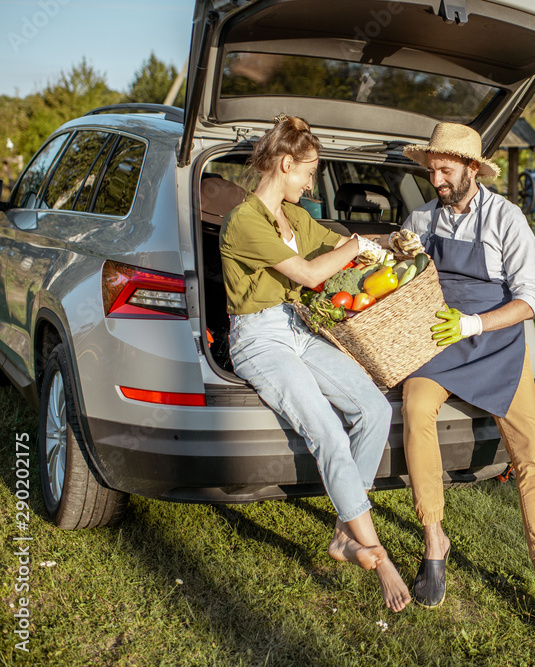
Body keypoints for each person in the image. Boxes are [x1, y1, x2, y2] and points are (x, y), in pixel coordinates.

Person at [389, 122, 535, 641]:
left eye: (445, 169)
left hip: (496, 344)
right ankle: (435, 540)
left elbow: (529, 301)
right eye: (431, 169)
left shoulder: (507, 218)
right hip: (438, 342)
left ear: (472, 170)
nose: (436, 179)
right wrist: (401, 257)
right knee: (415, 407)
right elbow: (403, 282)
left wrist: (473, 323)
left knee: (531, 458)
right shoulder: (421, 219)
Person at [219, 114, 410, 613]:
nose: (310, 183)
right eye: (308, 173)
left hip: (299, 331)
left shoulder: (293, 217)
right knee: (325, 429)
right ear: (286, 164)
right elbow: (306, 273)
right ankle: (376, 550)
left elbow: (340, 244)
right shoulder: (243, 221)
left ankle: (346, 532)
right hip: (258, 339)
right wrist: (351, 246)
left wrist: (393, 245)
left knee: (374, 409)